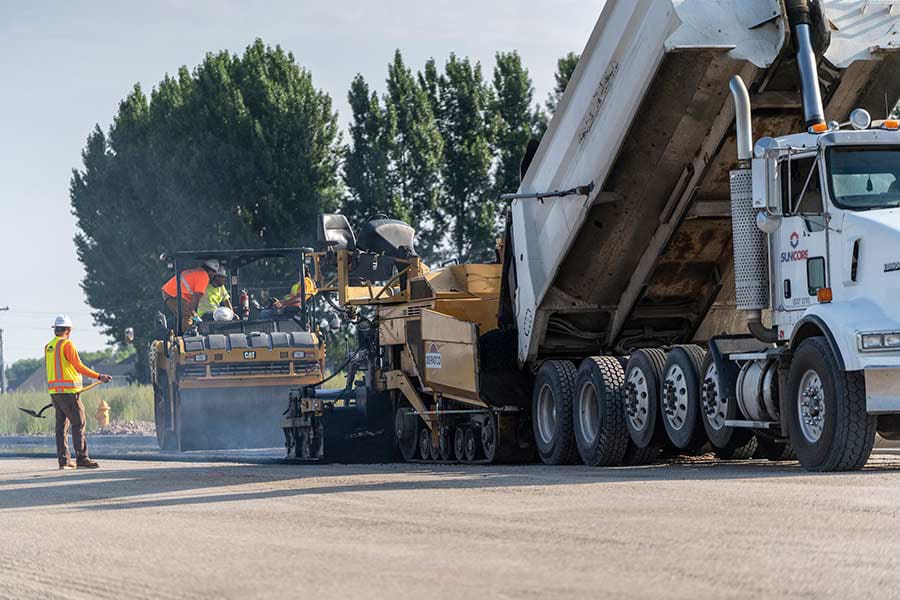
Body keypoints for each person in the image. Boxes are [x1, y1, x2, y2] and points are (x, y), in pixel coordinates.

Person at [45, 315, 112, 470]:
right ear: (68, 330)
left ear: (56, 329)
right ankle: (82, 459)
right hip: (69, 393)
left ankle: (64, 461)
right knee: (79, 423)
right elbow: (78, 366)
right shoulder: (66, 345)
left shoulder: (49, 346)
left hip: (56, 392)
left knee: (61, 427)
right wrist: (98, 376)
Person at [161, 259, 219, 331]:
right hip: (174, 294)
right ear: (211, 271)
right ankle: (188, 338)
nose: (213, 276)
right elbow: (197, 295)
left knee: (183, 318)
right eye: (214, 273)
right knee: (188, 317)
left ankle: (179, 335)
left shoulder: (196, 272)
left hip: (169, 292)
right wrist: (192, 310)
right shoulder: (204, 276)